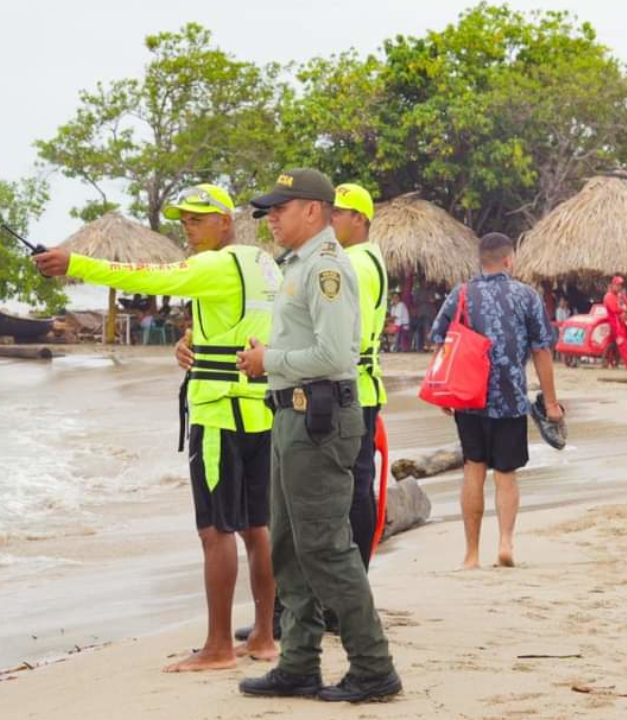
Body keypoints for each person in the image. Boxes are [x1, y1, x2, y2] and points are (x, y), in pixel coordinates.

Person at [33, 183, 280, 672]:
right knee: (258, 528)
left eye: (197, 220)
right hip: (261, 409)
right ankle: (264, 637)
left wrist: (74, 263)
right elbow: (247, 323)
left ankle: (218, 647)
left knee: (216, 530)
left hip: (219, 413)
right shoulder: (263, 263)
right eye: (184, 221)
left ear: (225, 222)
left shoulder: (213, 265)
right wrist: (192, 342)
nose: (188, 229)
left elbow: (143, 274)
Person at [235, 168, 400, 703]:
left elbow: (334, 355)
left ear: (312, 210)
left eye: (280, 209)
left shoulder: (327, 267)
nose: (271, 219)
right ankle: (299, 664)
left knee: (326, 548)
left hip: (318, 418)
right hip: (294, 414)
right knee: (288, 545)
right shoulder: (300, 264)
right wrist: (268, 360)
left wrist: (269, 360)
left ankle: (373, 666)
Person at [430, 232, 562, 570]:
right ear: (509, 260)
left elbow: (441, 341)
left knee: (473, 469)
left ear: (480, 260)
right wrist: (550, 403)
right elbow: (542, 350)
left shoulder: (461, 293)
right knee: (506, 473)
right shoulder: (526, 296)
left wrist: (442, 389)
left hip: (468, 397)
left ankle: (471, 554)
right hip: (510, 397)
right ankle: (505, 542)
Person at [330, 183, 388, 571]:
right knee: (358, 484)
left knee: (353, 488)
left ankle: (355, 578)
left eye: (337, 213)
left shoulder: (356, 264)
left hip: (354, 389)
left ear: (359, 219)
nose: (330, 220)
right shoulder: (367, 258)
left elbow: (354, 336)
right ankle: (356, 578)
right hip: (363, 388)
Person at [602, 276, 627, 370]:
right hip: (616, 326)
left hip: (625, 324)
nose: (619, 287)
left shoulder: (621, 295)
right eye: (617, 285)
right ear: (612, 285)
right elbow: (615, 309)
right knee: (623, 345)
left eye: (621, 285)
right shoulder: (608, 296)